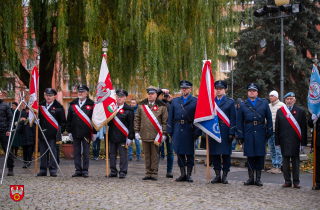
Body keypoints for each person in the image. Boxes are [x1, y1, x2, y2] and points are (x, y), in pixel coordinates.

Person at [237, 83, 273, 186]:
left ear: (257, 92)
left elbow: (269, 119)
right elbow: (239, 122)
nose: (251, 92)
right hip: (248, 132)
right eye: (250, 91)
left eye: (253, 91)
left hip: (260, 132)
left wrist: (269, 132)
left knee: (260, 156)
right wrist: (241, 135)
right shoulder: (243, 105)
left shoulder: (264, 103)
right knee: (250, 156)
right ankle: (250, 178)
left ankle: (258, 179)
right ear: (248, 92)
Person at [167, 80, 201, 182]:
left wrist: (198, 131)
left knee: (190, 153)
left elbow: (199, 117)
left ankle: (189, 174)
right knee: (179, 152)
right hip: (178, 129)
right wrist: (169, 129)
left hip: (190, 130)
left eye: (186, 88)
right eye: (182, 88)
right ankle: (182, 174)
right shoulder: (175, 101)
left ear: (190, 89)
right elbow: (170, 116)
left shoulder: (195, 101)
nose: (184, 89)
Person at [134, 86, 168, 181]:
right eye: (149, 94)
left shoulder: (162, 106)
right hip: (144, 134)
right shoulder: (141, 105)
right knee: (147, 156)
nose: (150, 95)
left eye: (152, 94)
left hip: (156, 135)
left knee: (155, 155)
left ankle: (154, 173)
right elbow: (137, 119)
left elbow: (165, 121)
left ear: (156, 95)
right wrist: (136, 131)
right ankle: (148, 173)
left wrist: (164, 134)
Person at [275, 92, 307, 188]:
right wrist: (277, 142)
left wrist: (303, 143)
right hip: (284, 140)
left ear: (294, 100)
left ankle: (296, 181)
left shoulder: (301, 111)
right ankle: (287, 181)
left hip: (295, 140)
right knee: (285, 163)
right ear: (285, 100)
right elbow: (277, 128)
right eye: (287, 99)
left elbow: (303, 128)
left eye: (291, 99)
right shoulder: (280, 111)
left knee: (295, 162)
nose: (289, 101)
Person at [66, 85, 96, 178]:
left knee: (86, 153)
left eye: (82, 92)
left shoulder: (91, 104)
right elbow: (69, 119)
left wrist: (95, 132)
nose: (80, 93)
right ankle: (78, 170)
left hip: (87, 132)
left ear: (86, 93)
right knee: (77, 152)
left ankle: (85, 170)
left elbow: (95, 119)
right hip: (75, 132)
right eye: (79, 91)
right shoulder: (73, 104)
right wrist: (69, 131)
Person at [210, 80, 236, 184]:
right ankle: (217, 175)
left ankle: (225, 175)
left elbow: (233, 118)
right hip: (214, 130)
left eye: (221, 89)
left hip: (225, 131)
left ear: (224, 90)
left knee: (225, 154)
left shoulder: (230, 102)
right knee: (215, 154)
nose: (219, 91)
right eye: (217, 89)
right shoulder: (211, 101)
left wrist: (231, 132)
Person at [37, 88, 66, 177]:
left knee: (53, 152)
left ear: (54, 97)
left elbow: (62, 121)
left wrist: (61, 132)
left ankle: (53, 170)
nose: (48, 97)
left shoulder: (59, 107)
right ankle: (43, 170)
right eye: (47, 95)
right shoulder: (40, 106)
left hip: (53, 134)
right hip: (42, 133)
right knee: (42, 152)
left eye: (50, 96)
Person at [108, 89, 134, 179]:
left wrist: (131, 137)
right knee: (112, 154)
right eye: (118, 97)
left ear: (124, 98)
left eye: (121, 97)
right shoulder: (111, 108)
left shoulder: (129, 110)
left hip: (123, 136)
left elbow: (131, 125)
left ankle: (123, 171)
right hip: (112, 135)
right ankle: (113, 171)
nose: (119, 98)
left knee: (123, 155)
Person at [157, 88, 174, 178]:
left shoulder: (173, 103)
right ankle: (155, 170)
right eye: (164, 94)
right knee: (158, 151)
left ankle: (169, 171)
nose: (165, 96)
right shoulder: (158, 102)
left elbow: (175, 112)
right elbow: (154, 96)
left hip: (170, 131)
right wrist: (160, 90)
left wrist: (170, 101)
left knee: (170, 151)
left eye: (167, 94)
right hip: (159, 130)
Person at [267, 90, 285, 174]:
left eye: (272, 96)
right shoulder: (268, 106)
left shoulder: (282, 105)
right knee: (272, 150)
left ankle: (278, 166)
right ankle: (274, 165)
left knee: (278, 150)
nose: (271, 97)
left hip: (278, 132)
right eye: (270, 96)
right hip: (270, 132)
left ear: (276, 97)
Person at [0, 91, 14, 176]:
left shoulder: (5, 106)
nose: (0, 95)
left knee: (8, 150)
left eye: (0, 94)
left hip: (4, 131)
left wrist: (9, 130)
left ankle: (10, 168)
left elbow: (10, 119)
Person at [308, 112, 320, 190]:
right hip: (318, 141)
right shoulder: (315, 109)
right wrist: (312, 119)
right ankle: (318, 182)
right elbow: (310, 124)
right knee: (318, 163)